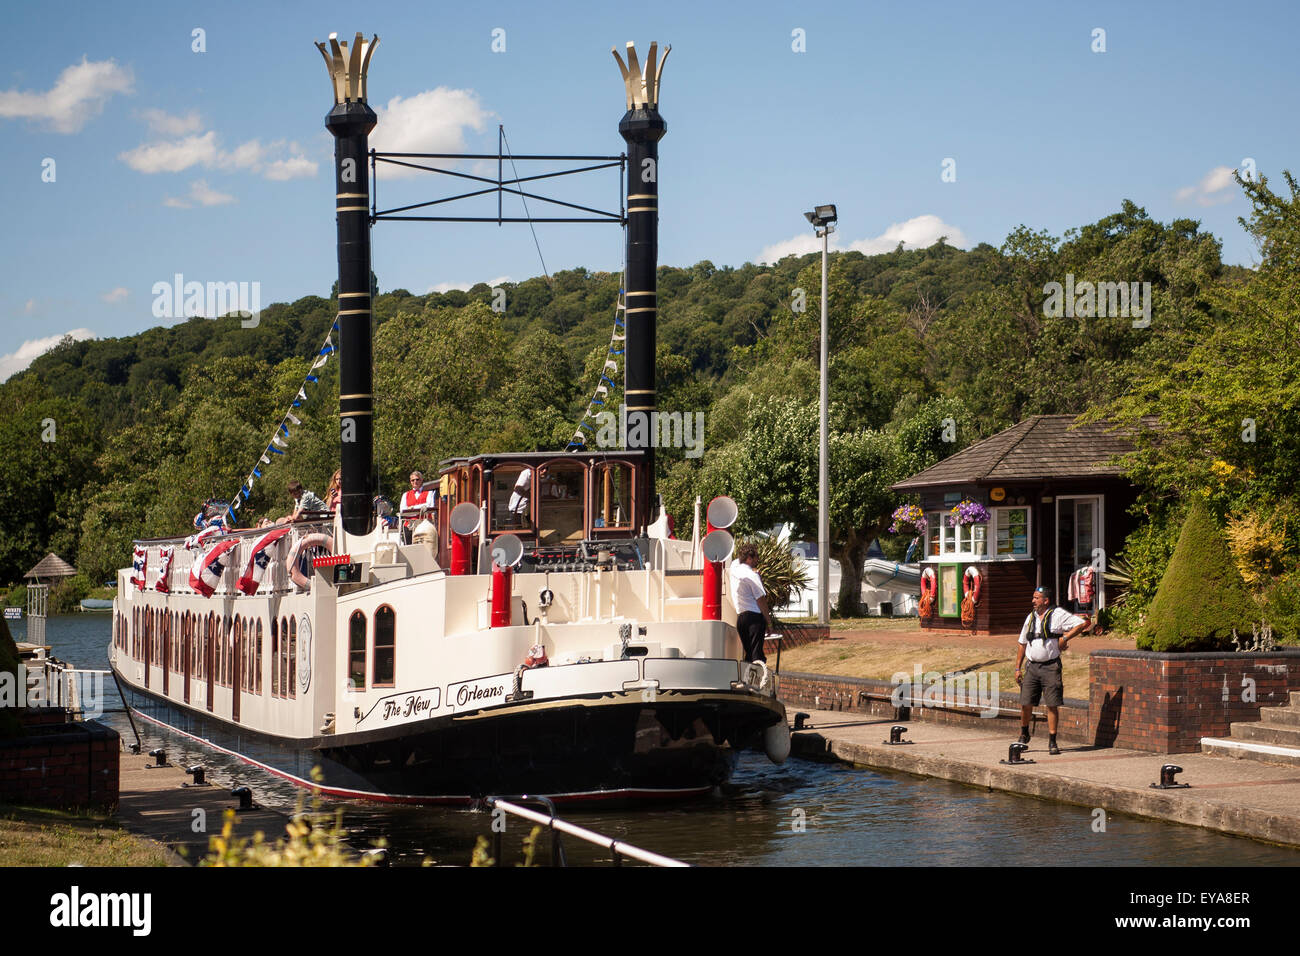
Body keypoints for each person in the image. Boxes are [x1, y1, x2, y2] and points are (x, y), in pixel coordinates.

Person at [1015, 586, 1088, 755]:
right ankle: (1024, 734)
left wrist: (1065, 638)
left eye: (1036, 598)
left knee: (1052, 704)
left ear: (1046, 600)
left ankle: (1052, 741)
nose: (1033, 601)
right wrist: (1018, 667)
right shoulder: (1030, 618)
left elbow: (1082, 624)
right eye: (1033, 597)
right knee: (1025, 702)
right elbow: (1022, 643)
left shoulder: (1057, 615)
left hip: (1050, 666)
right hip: (1032, 666)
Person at [729, 543, 773, 664]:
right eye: (756, 556)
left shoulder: (734, 568)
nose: (757, 559)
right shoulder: (752, 576)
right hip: (754, 617)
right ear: (749, 558)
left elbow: (736, 561)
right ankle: (757, 681)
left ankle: (747, 679)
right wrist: (769, 622)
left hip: (741, 618)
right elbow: (761, 600)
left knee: (749, 653)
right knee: (757, 655)